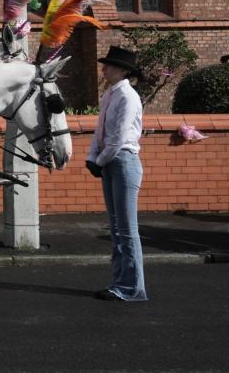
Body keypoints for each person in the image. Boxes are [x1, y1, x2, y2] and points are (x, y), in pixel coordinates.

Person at [86, 46, 148, 302]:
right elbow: (100, 131)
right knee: (116, 228)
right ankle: (120, 283)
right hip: (111, 161)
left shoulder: (128, 97)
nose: (104, 68)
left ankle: (131, 288)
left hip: (123, 162)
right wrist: (92, 158)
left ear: (122, 71)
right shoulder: (109, 95)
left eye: (109, 65)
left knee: (126, 228)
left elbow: (119, 137)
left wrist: (99, 160)